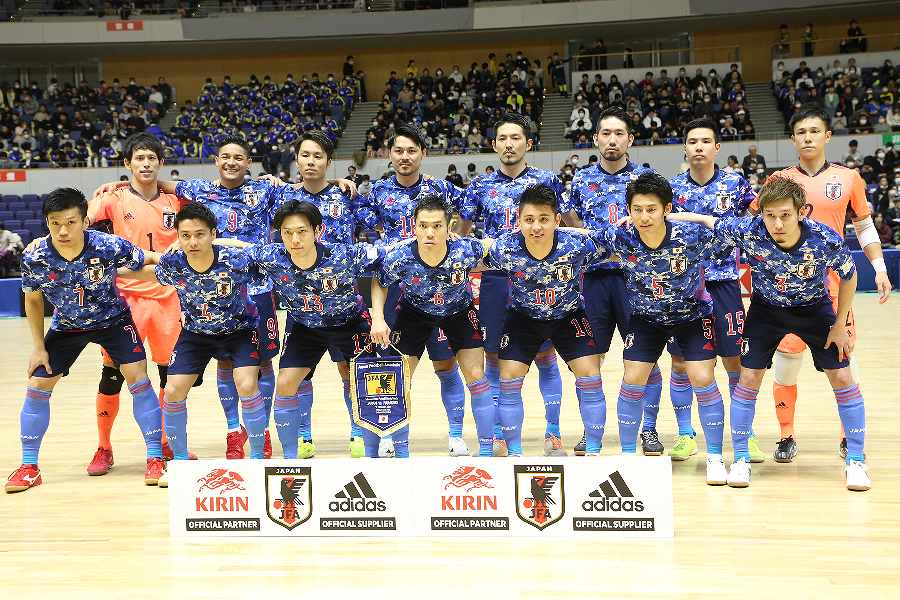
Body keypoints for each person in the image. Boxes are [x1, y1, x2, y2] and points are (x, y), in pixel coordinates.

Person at [671, 177, 870, 491]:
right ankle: (740, 459)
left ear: (802, 211)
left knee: (843, 378)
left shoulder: (823, 238)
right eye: (770, 215)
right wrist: (665, 216)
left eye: (785, 215)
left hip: (814, 309)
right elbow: (708, 220)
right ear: (760, 214)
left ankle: (856, 461)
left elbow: (850, 275)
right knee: (748, 379)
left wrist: (840, 324)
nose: (777, 223)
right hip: (765, 312)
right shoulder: (749, 230)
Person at [7, 188, 164, 493]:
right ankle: (29, 467)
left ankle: (155, 458)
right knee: (38, 384)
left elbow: (145, 257)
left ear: (84, 221)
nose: (63, 230)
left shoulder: (106, 245)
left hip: (114, 321)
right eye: (55, 223)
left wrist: (179, 260)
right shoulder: (35, 254)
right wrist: (39, 348)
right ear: (46, 222)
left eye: (70, 222)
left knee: (138, 378)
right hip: (66, 326)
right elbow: (34, 301)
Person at [764, 106, 891, 462]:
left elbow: (864, 226)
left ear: (827, 136)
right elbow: (761, 227)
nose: (807, 137)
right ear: (792, 139)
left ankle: (848, 437)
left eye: (814, 131)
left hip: (833, 289)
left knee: (841, 365)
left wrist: (879, 266)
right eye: (800, 132)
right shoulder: (778, 181)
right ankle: (786, 435)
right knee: (787, 363)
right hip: (787, 288)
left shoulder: (848, 178)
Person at [585, 173, 729, 485]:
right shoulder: (620, 237)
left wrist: (694, 216)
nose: (644, 217)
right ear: (628, 210)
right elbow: (579, 239)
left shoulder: (691, 235)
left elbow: (730, 235)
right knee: (633, 377)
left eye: (652, 209)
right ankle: (626, 456)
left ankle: (715, 458)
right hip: (645, 318)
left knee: (703, 378)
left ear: (666, 209)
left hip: (690, 316)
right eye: (637, 209)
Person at [222, 201, 387, 459]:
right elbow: (238, 248)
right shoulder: (272, 257)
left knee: (365, 384)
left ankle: (370, 448)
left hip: (349, 322)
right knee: (286, 383)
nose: (295, 239)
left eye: (302, 231)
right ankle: (291, 457)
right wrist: (183, 247)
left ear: (317, 231)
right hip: (305, 327)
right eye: (287, 233)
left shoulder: (344, 254)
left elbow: (386, 263)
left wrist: (378, 316)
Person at [118, 204, 266, 486]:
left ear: (213, 234)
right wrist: (114, 273)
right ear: (178, 237)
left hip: (239, 332)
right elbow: (148, 273)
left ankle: (258, 458)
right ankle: (180, 461)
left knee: (246, 385)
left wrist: (229, 241)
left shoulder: (237, 259)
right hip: (195, 336)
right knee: (172, 390)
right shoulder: (175, 263)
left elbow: (269, 257)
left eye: (200, 234)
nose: (193, 242)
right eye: (185, 235)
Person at [457, 112, 567, 457]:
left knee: (546, 356)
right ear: (494, 145)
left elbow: (562, 227)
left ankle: (553, 431)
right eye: (502, 139)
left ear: (528, 144)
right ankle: (498, 436)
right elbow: (461, 230)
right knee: (493, 356)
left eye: (516, 138)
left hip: (539, 277)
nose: (509, 144)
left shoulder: (548, 181)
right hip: (495, 279)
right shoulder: (480, 186)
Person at [358, 124, 471, 457]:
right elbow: (360, 225)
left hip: (438, 286)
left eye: (411, 151)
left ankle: (455, 435)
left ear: (424, 153)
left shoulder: (442, 189)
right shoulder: (376, 191)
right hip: (395, 286)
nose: (404, 157)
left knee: (446, 364)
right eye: (398, 151)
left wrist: (455, 250)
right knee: (392, 365)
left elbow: (468, 215)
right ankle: (390, 433)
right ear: (389, 154)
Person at [662, 119, 766, 463]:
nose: (699, 147)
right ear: (685, 148)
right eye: (692, 141)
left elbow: (756, 222)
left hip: (724, 285)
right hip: (685, 287)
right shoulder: (672, 189)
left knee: (734, 360)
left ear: (717, 147)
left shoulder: (736, 184)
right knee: (680, 362)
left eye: (706, 141)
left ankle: (744, 435)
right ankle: (685, 434)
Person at [562, 106, 662, 456]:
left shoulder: (646, 180)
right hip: (592, 282)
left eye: (619, 133)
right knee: (590, 359)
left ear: (630, 139)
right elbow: (570, 222)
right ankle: (593, 431)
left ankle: (648, 429)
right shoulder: (580, 181)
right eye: (606, 133)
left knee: (644, 357)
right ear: (595, 138)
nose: (612, 140)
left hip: (638, 280)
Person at [483, 185, 610, 457]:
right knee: (508, 377)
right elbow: (466, 255)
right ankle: (515, 452)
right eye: (529, 220)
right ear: (518, 222)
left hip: (568, 316)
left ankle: (595, 452)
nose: (536, 227)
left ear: (557, 220)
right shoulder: (505, 248)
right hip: (523, 319)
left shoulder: (577, 245)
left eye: (543, 219)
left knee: (590, 375)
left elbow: (622, 243)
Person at [370, 195, 493, 457]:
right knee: (398, 377)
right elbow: (380, 283)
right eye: (423, 225)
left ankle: (482, 448)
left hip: (458, 312)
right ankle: (393, 441)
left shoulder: (466, 249)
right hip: (414, 314)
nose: (429, 232)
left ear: (449, 227)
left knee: (475, 376)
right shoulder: (399, 255)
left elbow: (502, 246)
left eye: (437, 226)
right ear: (414, 226)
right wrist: (378, 319)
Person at [277, 131, 370, 458]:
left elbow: (372, 227)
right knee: (298, 375)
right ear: (297, 160)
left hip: (344, 300)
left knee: (351, 371)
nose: (311, 162)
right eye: (305, 155)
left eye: (318, 156)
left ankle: (359, 431)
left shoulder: (347, 195)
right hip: (302, 305)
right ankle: (303, 436)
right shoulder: (281, 195)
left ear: (329, 162)